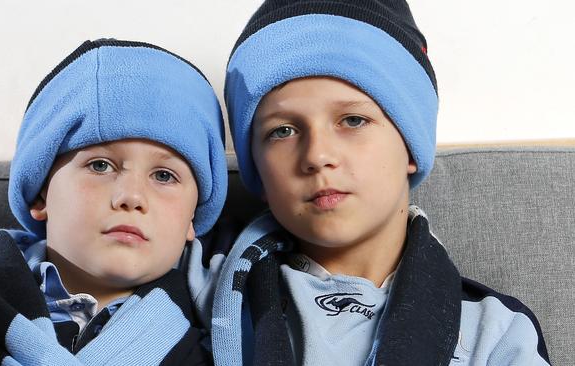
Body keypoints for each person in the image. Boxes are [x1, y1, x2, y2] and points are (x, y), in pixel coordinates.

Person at [208, 0, 551, 365]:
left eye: (353, 121)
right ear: (257, 170)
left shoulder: (495, 331)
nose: (317, 155)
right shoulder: (203, 289)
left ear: (410, 147)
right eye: (283, 130)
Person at [0, 38, 226, 365]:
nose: (132, 197)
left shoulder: (223, 332)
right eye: (100, 166)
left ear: (191, 219)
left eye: (164, 176)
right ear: (41, 195)